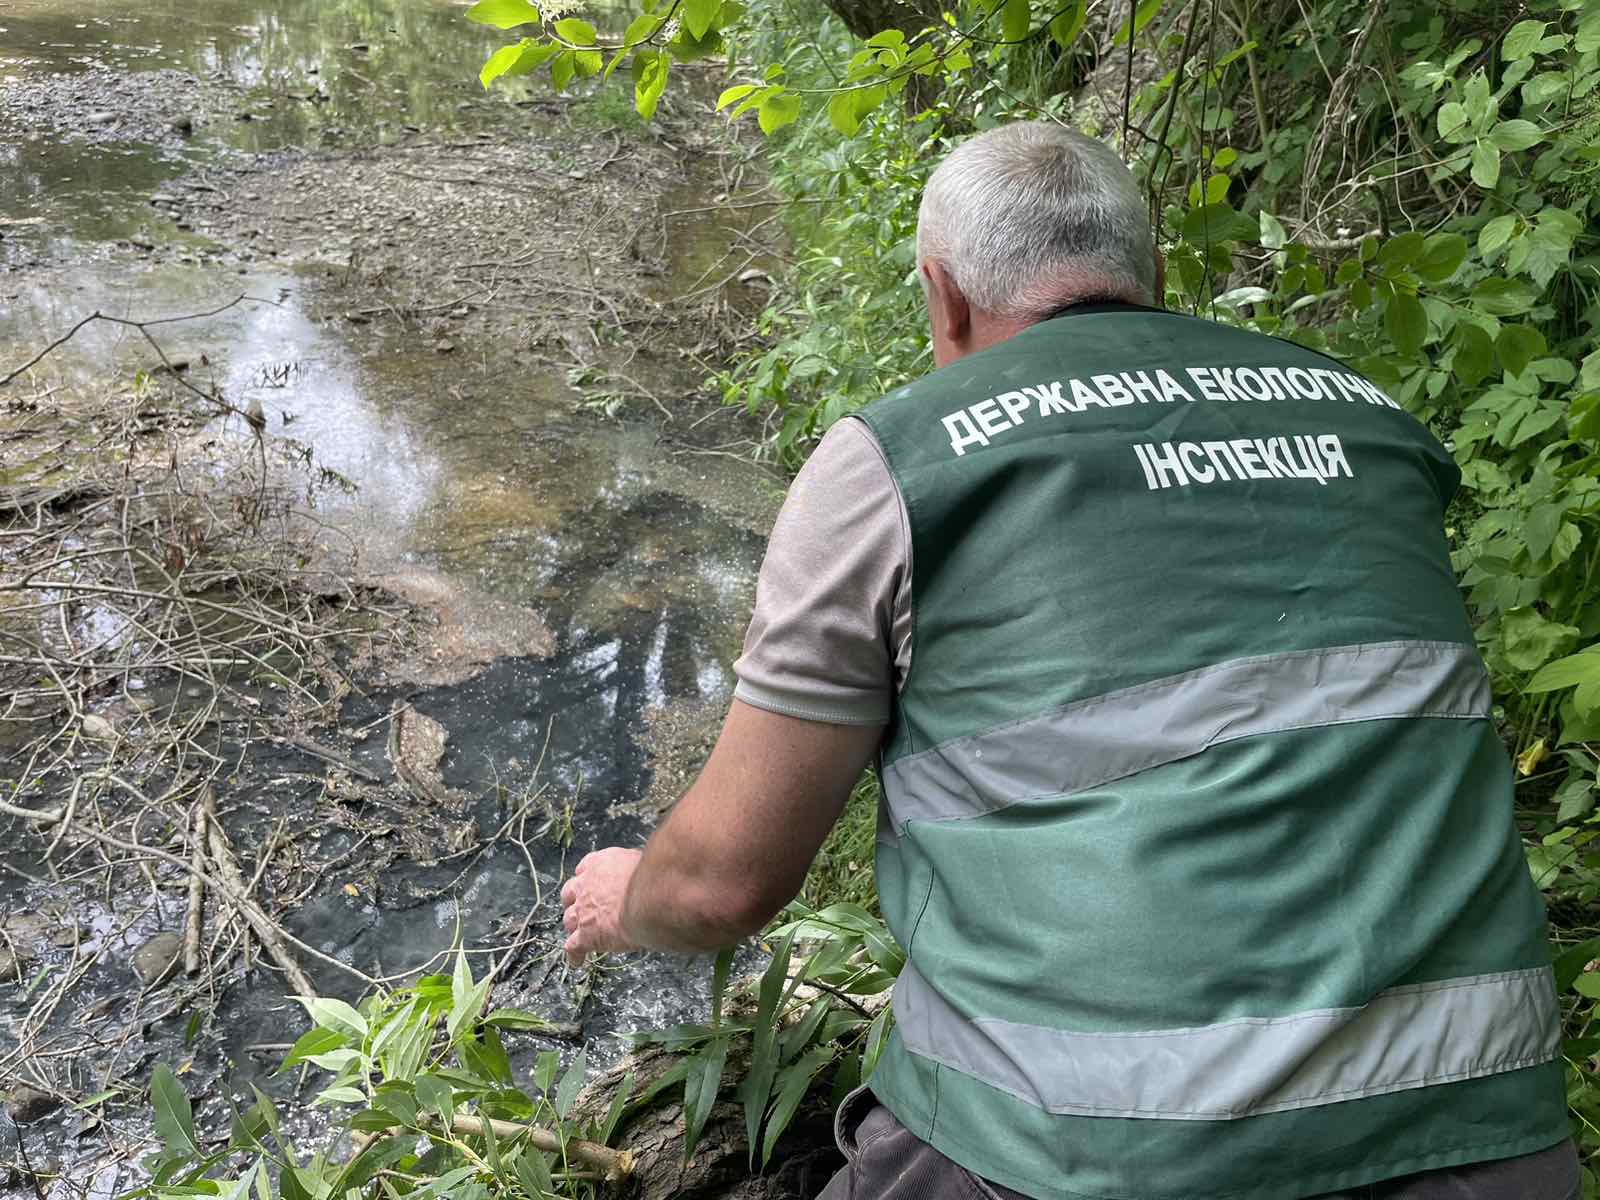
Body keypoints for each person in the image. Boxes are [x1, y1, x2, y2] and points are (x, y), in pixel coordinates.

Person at [559, 121, 1580, 1200]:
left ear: (942, 296)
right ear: (1153, 276)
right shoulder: (1376, 427)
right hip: (1482, 1131)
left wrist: (630, 900)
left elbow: (723, 885)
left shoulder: (899, 462)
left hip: (1088, 1151)